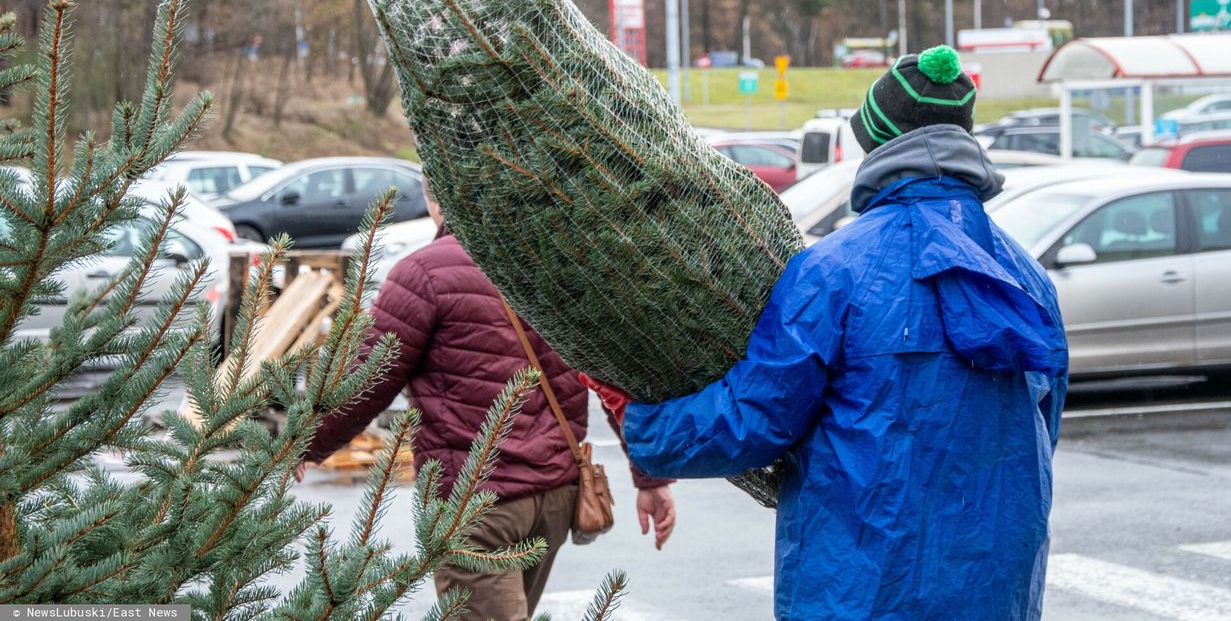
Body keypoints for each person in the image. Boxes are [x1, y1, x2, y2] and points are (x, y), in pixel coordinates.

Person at [584, 44, 1069, 620]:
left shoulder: (833, 273)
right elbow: (1045, 429)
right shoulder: (1027, 279)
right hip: (997, 585)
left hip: (861, 586)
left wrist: (647, 431)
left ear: (876, 142)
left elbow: (758, 416)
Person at [302, 182, 676, 621]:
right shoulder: (560, 266)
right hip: (556, 495)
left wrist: (303, 443)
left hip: (474, 501)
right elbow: (617, 378)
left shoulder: (424, 274)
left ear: (431, 195)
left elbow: (367, 381)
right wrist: (650, 476)